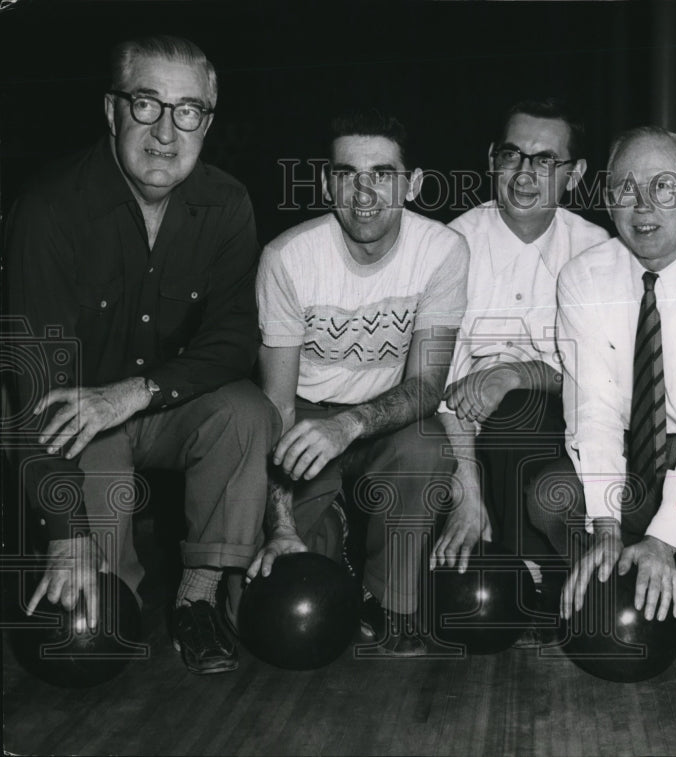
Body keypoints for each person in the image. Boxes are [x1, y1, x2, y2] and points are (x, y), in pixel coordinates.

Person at [3, 35, 281, 675]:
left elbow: (234, 340)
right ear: (111, 110)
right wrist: (66, 531)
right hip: (68, 417)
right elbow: (35, 381)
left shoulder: (228, 202)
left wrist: (133, 394)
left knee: (246, 411)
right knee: (102, 607)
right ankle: (118, 596)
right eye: (147, 104)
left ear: (207, 122)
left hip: (161, 403)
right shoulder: (48, 210)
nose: (165, 132)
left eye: (188, 111)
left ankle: (198, 598)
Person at [526, 126, 676, 635]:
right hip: (632, 445)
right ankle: (612, 575)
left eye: (663, 186)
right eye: (625, 188)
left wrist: (663, 540)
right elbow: (591, 410)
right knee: (550, 495)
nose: (642, 206)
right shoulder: (583, 277)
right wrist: (605, 525)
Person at [251, 108, 469, 656]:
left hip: (381, 417)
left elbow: (425, 386)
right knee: (264, 603)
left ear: (412, 183)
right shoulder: (286, 257)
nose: (364, 192)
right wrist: (277, 523)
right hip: (304, 419)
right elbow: (275, 406)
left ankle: (392, 603)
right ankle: (332, 528)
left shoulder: (442, 250)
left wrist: (349, 426)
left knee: (426, 445)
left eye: (383, 174)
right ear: (329, 182)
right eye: (348, 174)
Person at [429, 99, 608, 632]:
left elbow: (600, 382)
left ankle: (536, 572)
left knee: (520, 406)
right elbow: (435, 387)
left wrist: (516, 374)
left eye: (545, 160)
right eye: (513, 155)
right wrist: (467, 492)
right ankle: (498, 565)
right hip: (455, 430)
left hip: (559, 432)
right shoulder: (448, 245)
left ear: (574, 175)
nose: (526, 173)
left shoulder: (598, 251)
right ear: (492, 160)